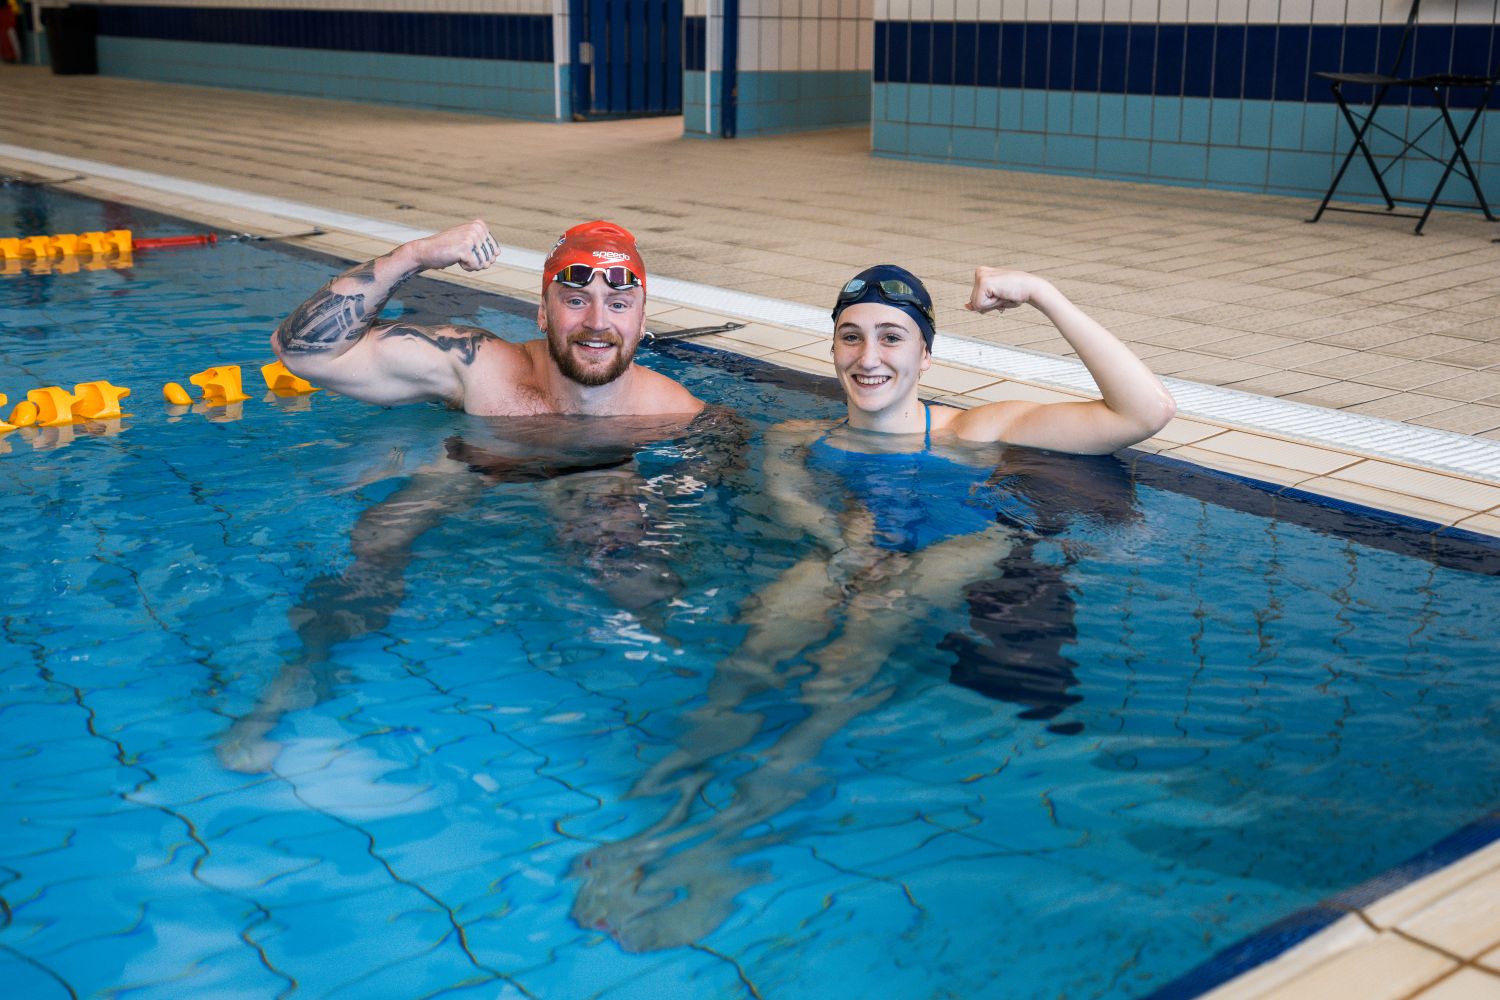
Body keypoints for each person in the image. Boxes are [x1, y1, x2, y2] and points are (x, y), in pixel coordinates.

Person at [570, 264, 1175, 951]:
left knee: (847, 660)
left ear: (925, 353)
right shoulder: (796, 437)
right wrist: (844, 549)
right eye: (851, 337)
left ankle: (722, 851)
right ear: (832, 348)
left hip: (953, 548)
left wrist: (1042, 294)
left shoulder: (971, 430)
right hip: (850, 545)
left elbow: (1143, 412)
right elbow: (798, 509)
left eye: (892, 338)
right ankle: (660, 817)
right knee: (760, 642)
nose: (869, 357)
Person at [272, 218, 703, 418]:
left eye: (619, 304)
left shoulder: (676, 411)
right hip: (475, 494)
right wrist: (412, 255)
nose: (596, 321)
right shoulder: (478, 367)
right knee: (388, 532)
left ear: (642, 321)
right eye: (575, 300)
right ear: (542, 315)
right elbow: (303, 354)